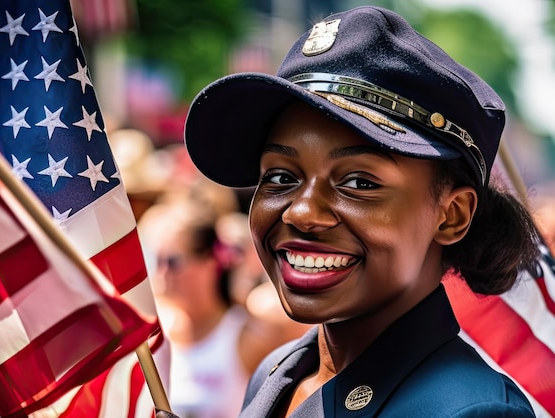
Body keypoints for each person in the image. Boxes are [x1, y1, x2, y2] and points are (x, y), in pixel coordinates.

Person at [182, 6, 542, 417]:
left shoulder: (471, 412)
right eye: (280, 177)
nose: (301, 213)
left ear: (453, 214)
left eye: (358, 183)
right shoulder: (277, 372)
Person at [138, 196, 309, 418]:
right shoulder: (155, 334)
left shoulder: (250, 331)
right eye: (155, 261)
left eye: (172, 262)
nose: (161, 274)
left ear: (209, 263)